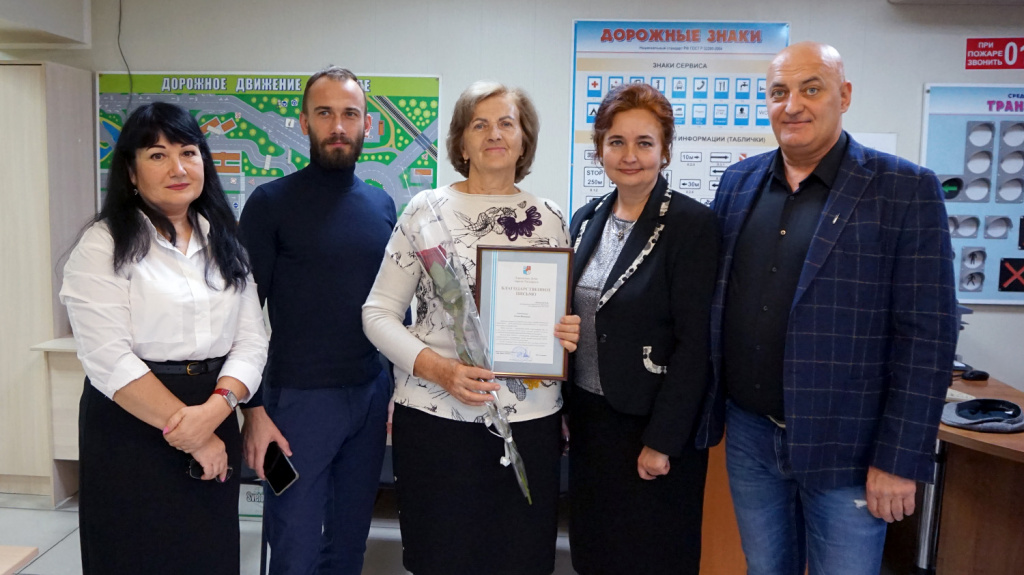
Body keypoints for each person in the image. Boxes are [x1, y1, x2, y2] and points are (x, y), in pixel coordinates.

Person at [696, 41, 958, 574]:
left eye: (811, 89)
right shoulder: (738, 184)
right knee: (765, 568)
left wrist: (898, 458)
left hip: (850, 446)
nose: (792, 105)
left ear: (845, 95)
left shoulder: (905, 189)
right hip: (750, 434)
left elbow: (928, 335)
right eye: (779, 92)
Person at [362, 81, 580, 575]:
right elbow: (376, 314)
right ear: (461, 143)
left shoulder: (550, 218)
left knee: (521, 561)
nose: (494, 134)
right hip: (437, 422)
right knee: (442, 559)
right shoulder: (425, 212)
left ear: (524, 140)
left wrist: (567, 332)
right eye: (479, 124)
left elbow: (558, 319)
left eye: (506, 123)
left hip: (530, 426)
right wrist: (439, 370)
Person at [60, 102, 268, 574]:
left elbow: (252, 343)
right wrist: (192, 435)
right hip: (131, 423)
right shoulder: (103, 245)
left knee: (209, 556)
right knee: (133, 555)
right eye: (158, 155)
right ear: (131, 173)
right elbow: (108, 358)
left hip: (214, 407)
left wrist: (214, 414)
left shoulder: (225, 242)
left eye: (188, 152)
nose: (178, 167)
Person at [236, 67, 397, 575]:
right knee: (295, 551)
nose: (338, 126)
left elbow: (396, 307)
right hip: (296, 405)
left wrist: (397, 389)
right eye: (325, 113)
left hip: (369, 396)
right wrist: (253, 410)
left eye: (350, 114)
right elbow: (241, 314)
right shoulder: (269, 204)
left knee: (348, 548)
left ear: (367, 124)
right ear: (304, 122)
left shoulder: (382, 205)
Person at [565, 83, 719, 575]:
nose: (629, 155)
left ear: (665, 151)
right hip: (590, 421)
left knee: (651, 555)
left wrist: (664, 440)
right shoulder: (585, 218)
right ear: (600, 149)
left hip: (651, 425)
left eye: (644, 143)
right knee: (594, 551)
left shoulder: (691, 225)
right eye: (616, 142)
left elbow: (696, 345)